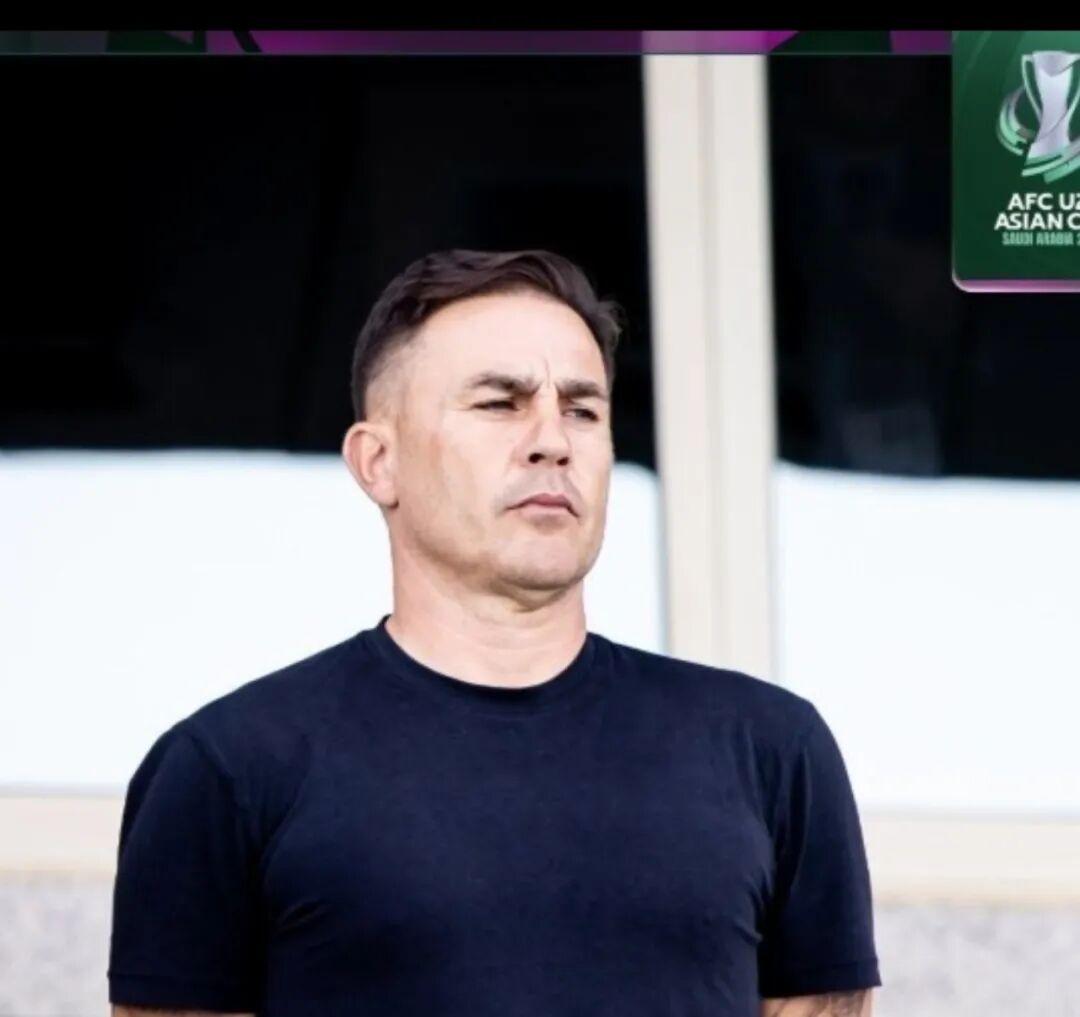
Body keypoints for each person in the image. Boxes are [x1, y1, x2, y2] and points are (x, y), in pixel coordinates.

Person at [107, 249, 882, 1017]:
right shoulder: (229, 769)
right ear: (377, 462)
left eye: (582, 409)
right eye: (499, 403)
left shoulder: (771, 750)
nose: (553, 440)